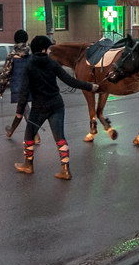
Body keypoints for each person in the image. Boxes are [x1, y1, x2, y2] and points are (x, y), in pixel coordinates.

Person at [14, 35, 99, 180]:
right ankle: (65, 170)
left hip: (38, 108)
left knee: (29, 136)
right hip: (57, 105)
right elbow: (70, 81)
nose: (49, 52)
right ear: (43, 49)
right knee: (60, 138)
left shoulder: (29, 66)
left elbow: (23, 92)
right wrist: (90, 86)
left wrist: (19, 112)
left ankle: (28, 165)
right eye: (48, 49)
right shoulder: (53, 64)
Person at [0, 29, 32, 139]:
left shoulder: (12, 56)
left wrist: (1, 89)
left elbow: (5, 74)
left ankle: (35, 135)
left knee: (25, 110)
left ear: (15, 40)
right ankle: (10, 131)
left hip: (18, 86)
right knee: (21, 110)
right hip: (32, 86)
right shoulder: (31, 54)